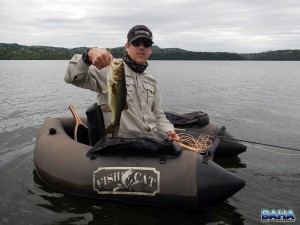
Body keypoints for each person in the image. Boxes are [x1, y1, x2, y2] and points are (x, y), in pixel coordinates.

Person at [64, 25, 179, 141]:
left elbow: (158, 114)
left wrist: (168, 129)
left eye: (146, 44)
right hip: (124, 142)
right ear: (127, 47)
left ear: (151, 50)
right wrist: (88, 55)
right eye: (137, 42)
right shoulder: (108, 69)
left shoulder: (151, 81)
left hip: (154, 140)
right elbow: (72, 77)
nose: (142, 47)